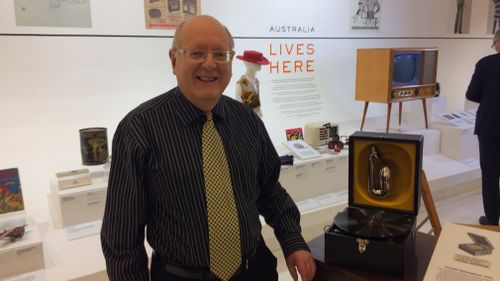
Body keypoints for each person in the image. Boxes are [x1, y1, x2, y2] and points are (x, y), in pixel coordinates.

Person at [101, 15, 316, 281]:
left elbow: (270, 189)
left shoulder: (247, 120)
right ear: (173, 60)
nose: (210, 64)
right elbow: (122, 237)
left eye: (220, 54)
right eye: (197, 53)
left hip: (254, 271)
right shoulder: (139, 130)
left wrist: (292, 241)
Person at [465, 29, 500, 226]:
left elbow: (471, 94)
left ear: (498, 41)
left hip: (491, 127)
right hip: (491, 126)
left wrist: (489, 99)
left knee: (490, 176)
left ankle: (493, 221)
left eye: (494, 43)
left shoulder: (486, 64)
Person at [235, 50, 269, 117]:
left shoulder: (256, 81)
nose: (260, 65)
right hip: (246, 117)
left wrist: (259, 110)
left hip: (257, 116)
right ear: (248, 63)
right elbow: (238, 102)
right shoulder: (241, 83)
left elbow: (256, 98)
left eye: (260, 63)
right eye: (257, 63)